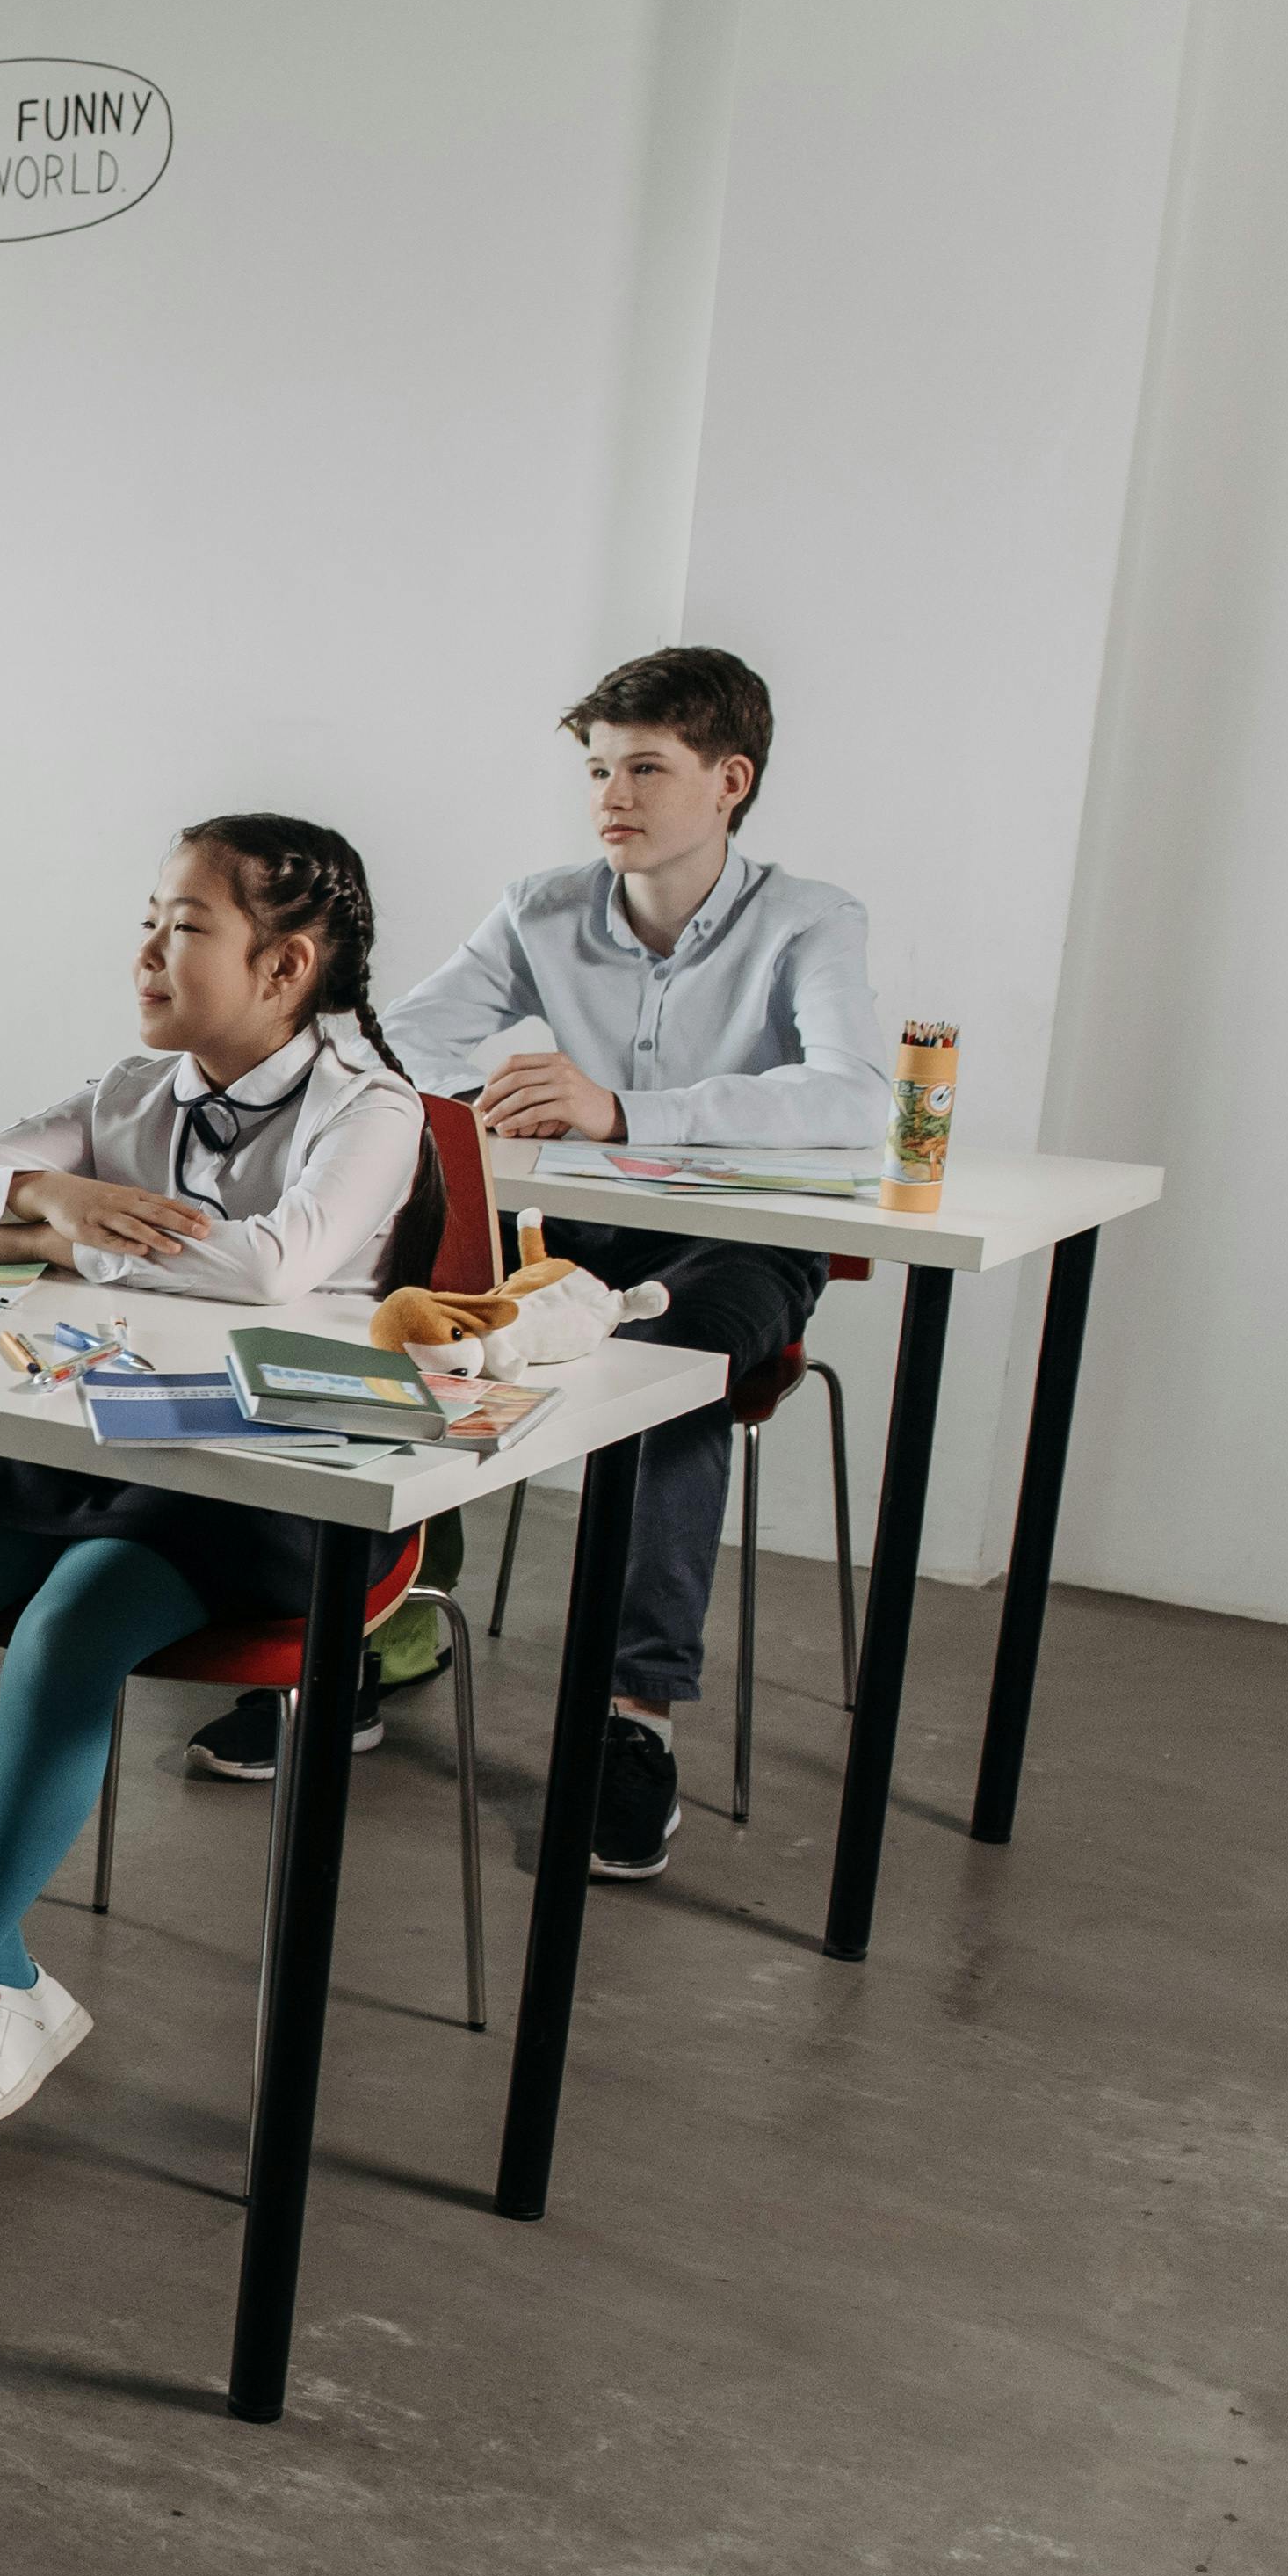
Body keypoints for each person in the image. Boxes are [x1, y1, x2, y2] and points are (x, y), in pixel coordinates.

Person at [0, 816, 424, 2148]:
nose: (145, 949)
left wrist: (47, 1240)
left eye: (184, 924)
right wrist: (48, 1187)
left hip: (269, 1466)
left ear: (283, 967)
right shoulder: (128, 1091)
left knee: (64, 1632)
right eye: (150, 916)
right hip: (102, 1425)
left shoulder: (371, 1110)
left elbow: (269, 1267)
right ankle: (9, 1984)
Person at [374, 645, 888, 1881]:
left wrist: (618, 1112)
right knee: (394, 1299)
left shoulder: (809, 919)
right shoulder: (539, 907)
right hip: (576, 1238)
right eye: (599, 767)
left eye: (646, 766)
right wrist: (464, 1095)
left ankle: (632, 1721)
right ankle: (365, 1634)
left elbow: (853, 1100)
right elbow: (397, 1047)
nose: (612, 793)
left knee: (662, 1380)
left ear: (729, 781)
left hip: (738, 1244)